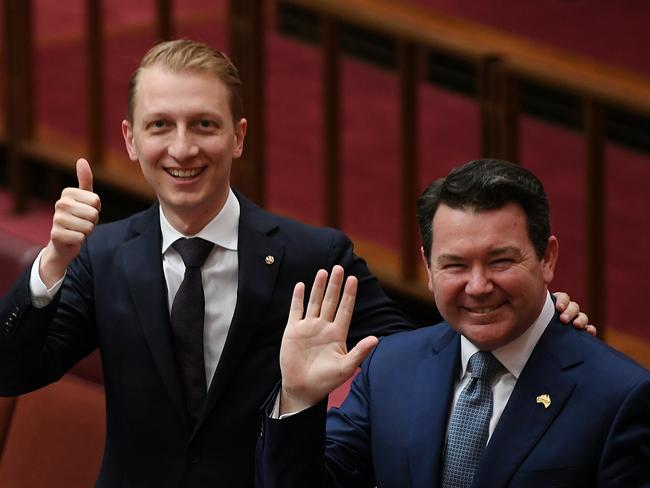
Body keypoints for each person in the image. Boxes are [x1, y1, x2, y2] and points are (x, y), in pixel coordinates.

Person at [0, 39, 587, 487]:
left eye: (204, 124)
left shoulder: (312, 256)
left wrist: (533, 326)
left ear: (238, 136)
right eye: (161, 126)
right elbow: (12, 372)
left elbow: (421, 355)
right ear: (131, 140)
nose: (182, 148)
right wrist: (51, 264)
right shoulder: (102, 256)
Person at [257, 159, 649, 488]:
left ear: (546, 258)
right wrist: (299, 400)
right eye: (455, 265)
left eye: (501, 261)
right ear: (428, 267)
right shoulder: (392, 366)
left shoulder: (619, 396)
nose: (478, 287)